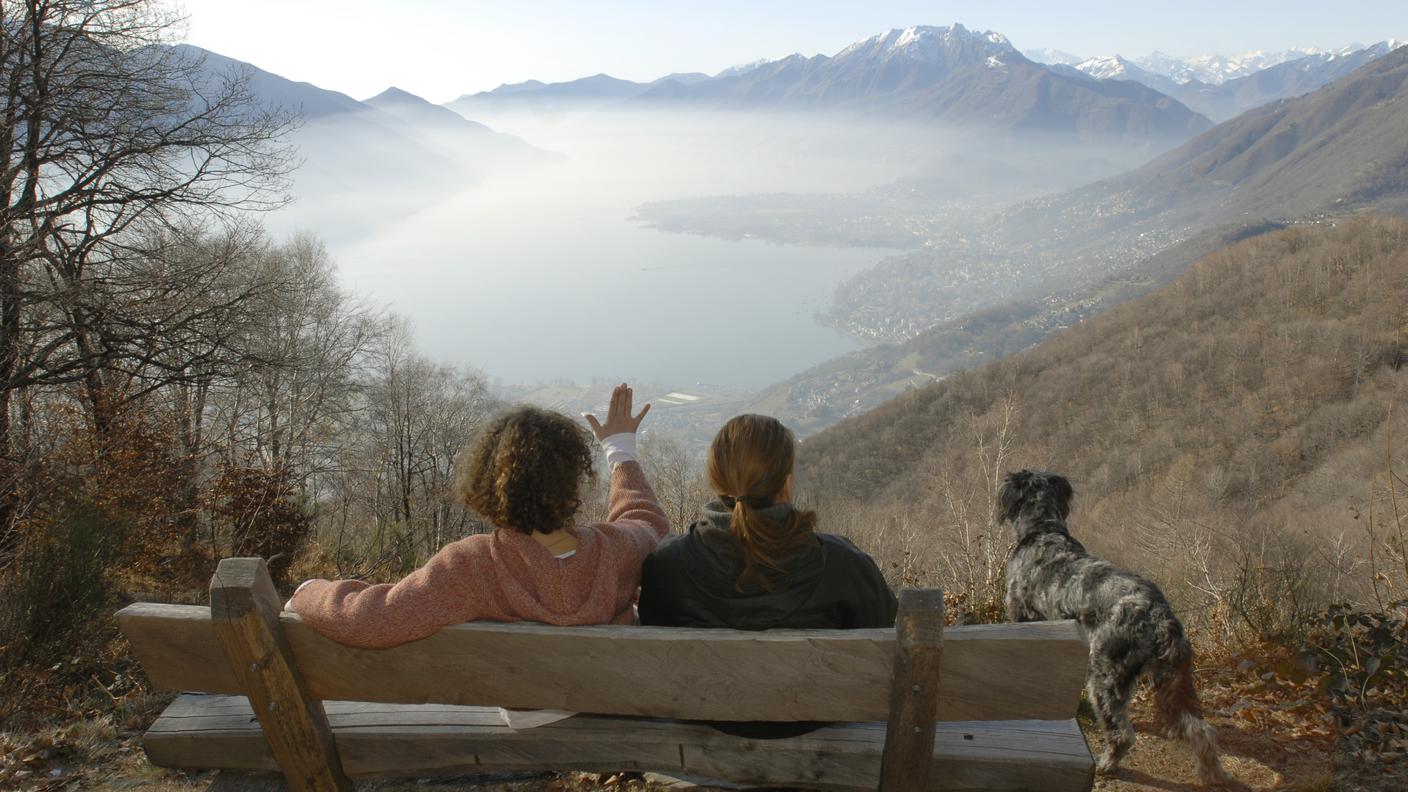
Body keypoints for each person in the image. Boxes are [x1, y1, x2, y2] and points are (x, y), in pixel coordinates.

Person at [286, 382, 665, 649]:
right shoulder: (617, 550)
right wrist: (619, 451)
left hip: (532, 719)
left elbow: (368, 620)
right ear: (572, 480)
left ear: (484, 483)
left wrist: (307, 593)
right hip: (613, 705)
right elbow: (647, 521)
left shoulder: (471, 566)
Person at [638, 413, 896, 630]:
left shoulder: (665, 568)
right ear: (785, 483)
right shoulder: (846, 567)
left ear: (716, 482)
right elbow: (883, 641)